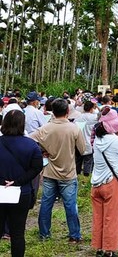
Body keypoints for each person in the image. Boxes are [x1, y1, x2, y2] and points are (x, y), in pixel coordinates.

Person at [30, 99, 86, 243]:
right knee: (70, 206)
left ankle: (44, 234)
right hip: (68, 173)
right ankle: (74, 235)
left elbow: (29, 140)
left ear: (52, 111)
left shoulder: (45, 128)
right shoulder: (74, 128)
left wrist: (41, 151)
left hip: (49, 172)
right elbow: (83, 149)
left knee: (46, 204)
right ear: (67, 111)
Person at [0, 110, 43, 257]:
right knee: (18, 233)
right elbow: (37, 167)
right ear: (22, 124)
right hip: (21, 192)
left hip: (0, 190)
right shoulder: (31, 145)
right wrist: (18, 181)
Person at [90, 108, 118, 257]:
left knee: (98, 217)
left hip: (96, 183)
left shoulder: (97, 141)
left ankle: (99, 248)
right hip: (111, 183)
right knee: (111, 218)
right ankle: (109, 250)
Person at [76, 100, 98, 176]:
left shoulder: (78, 117)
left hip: (79, 142)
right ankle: (86, 176)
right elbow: (100, 114)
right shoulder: (94, 118)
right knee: (88, 161)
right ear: (92, 108)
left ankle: (77, 175)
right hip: (90, 142)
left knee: (78, 160)